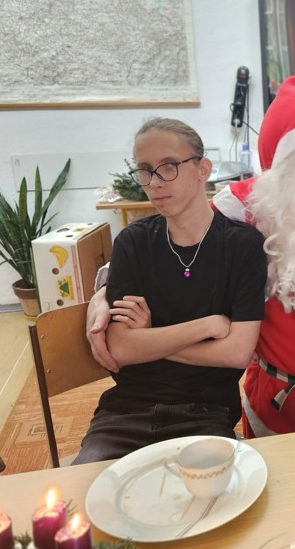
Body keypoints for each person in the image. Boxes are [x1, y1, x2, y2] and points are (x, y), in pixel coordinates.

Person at [88, 76, 295, 436]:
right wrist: (104, 291)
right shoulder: (248, 204)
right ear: (285, 158)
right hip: (278, 404)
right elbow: (178, 234)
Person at [73, 118, 266, 464]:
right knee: (90, 493)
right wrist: (207, 326)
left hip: (206, 412)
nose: (155, 182)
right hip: (125, 412)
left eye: (168, 166)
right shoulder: (133, 242)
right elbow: (119, 349)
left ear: (203, 169)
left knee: (207, 496)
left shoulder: (242, 246)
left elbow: (237, 352)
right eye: (145, 170)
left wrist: (149, 339)